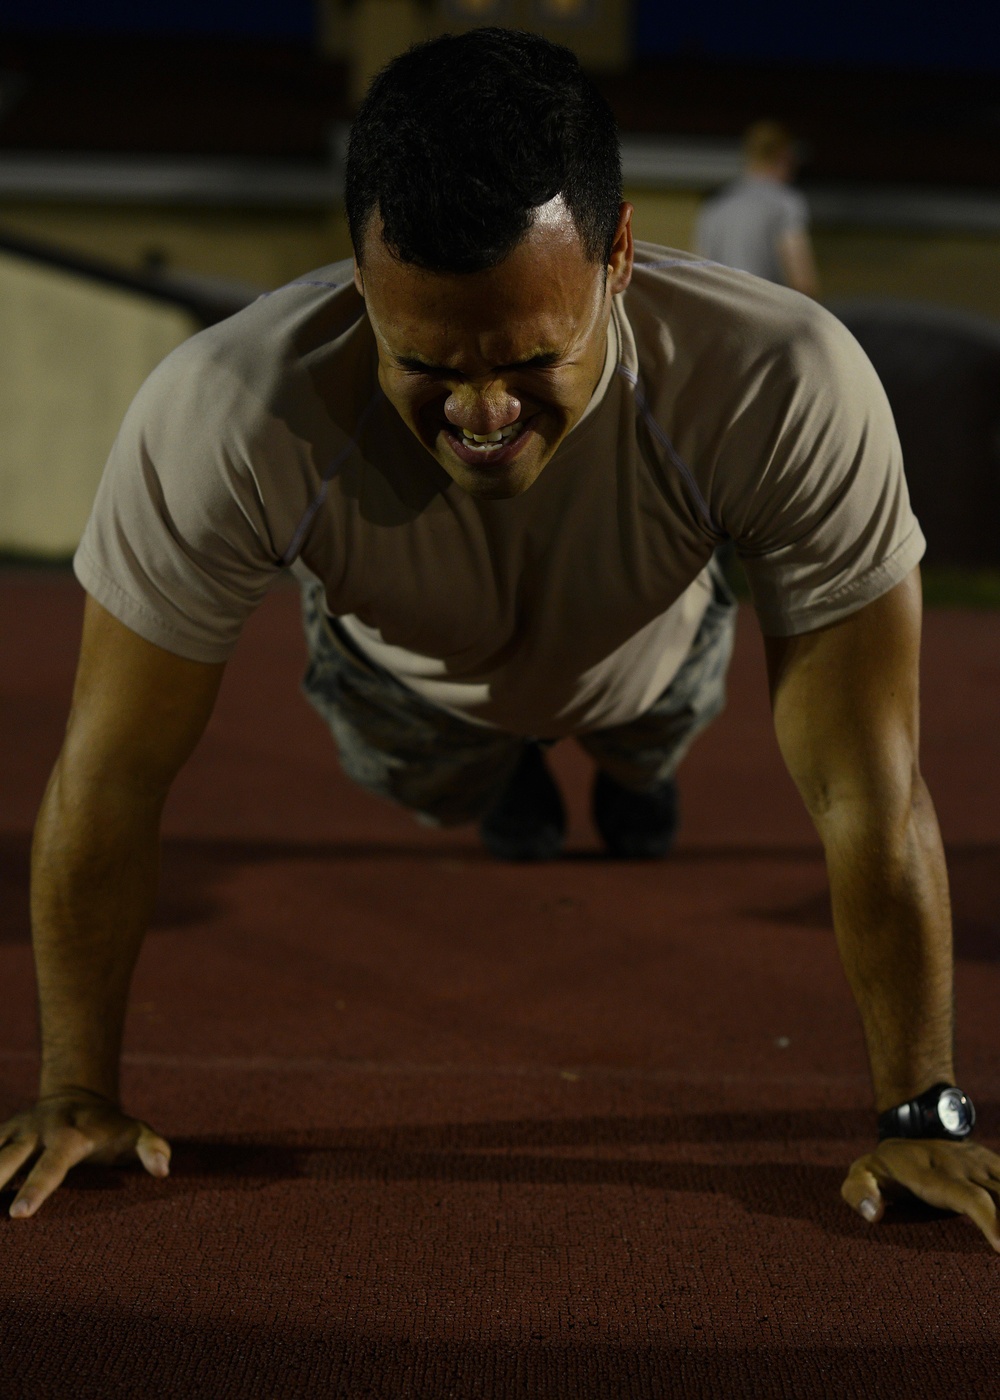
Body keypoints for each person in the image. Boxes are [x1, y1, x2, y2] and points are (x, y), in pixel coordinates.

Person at [1, 28, 998, 1248]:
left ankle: (620, 764)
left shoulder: (783, 380)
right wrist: (74, 1087)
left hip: (652, 659)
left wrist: (925, 1110)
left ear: (620, 254)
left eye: (532, 358)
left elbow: (869, 785)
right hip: (407, 700)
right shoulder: (223, 412)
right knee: (469, 776)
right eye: (426, 362)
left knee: (646, 747)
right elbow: (110, 771)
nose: (481, 411)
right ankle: (515, 762)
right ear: (360, 278)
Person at [695, 120, 820, 297]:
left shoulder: (715, 206)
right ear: (784, 156)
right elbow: (802, 281)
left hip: (722, 315)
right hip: (768, 316)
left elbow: (700, 273)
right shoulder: (785, 202)